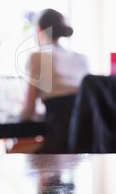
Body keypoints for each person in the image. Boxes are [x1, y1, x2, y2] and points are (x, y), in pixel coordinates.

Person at [20, 8, 89, 153]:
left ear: (39, 30)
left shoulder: (39, 57)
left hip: (59, 143)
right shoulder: (82, 59)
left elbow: (28, 112)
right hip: (87, 143)